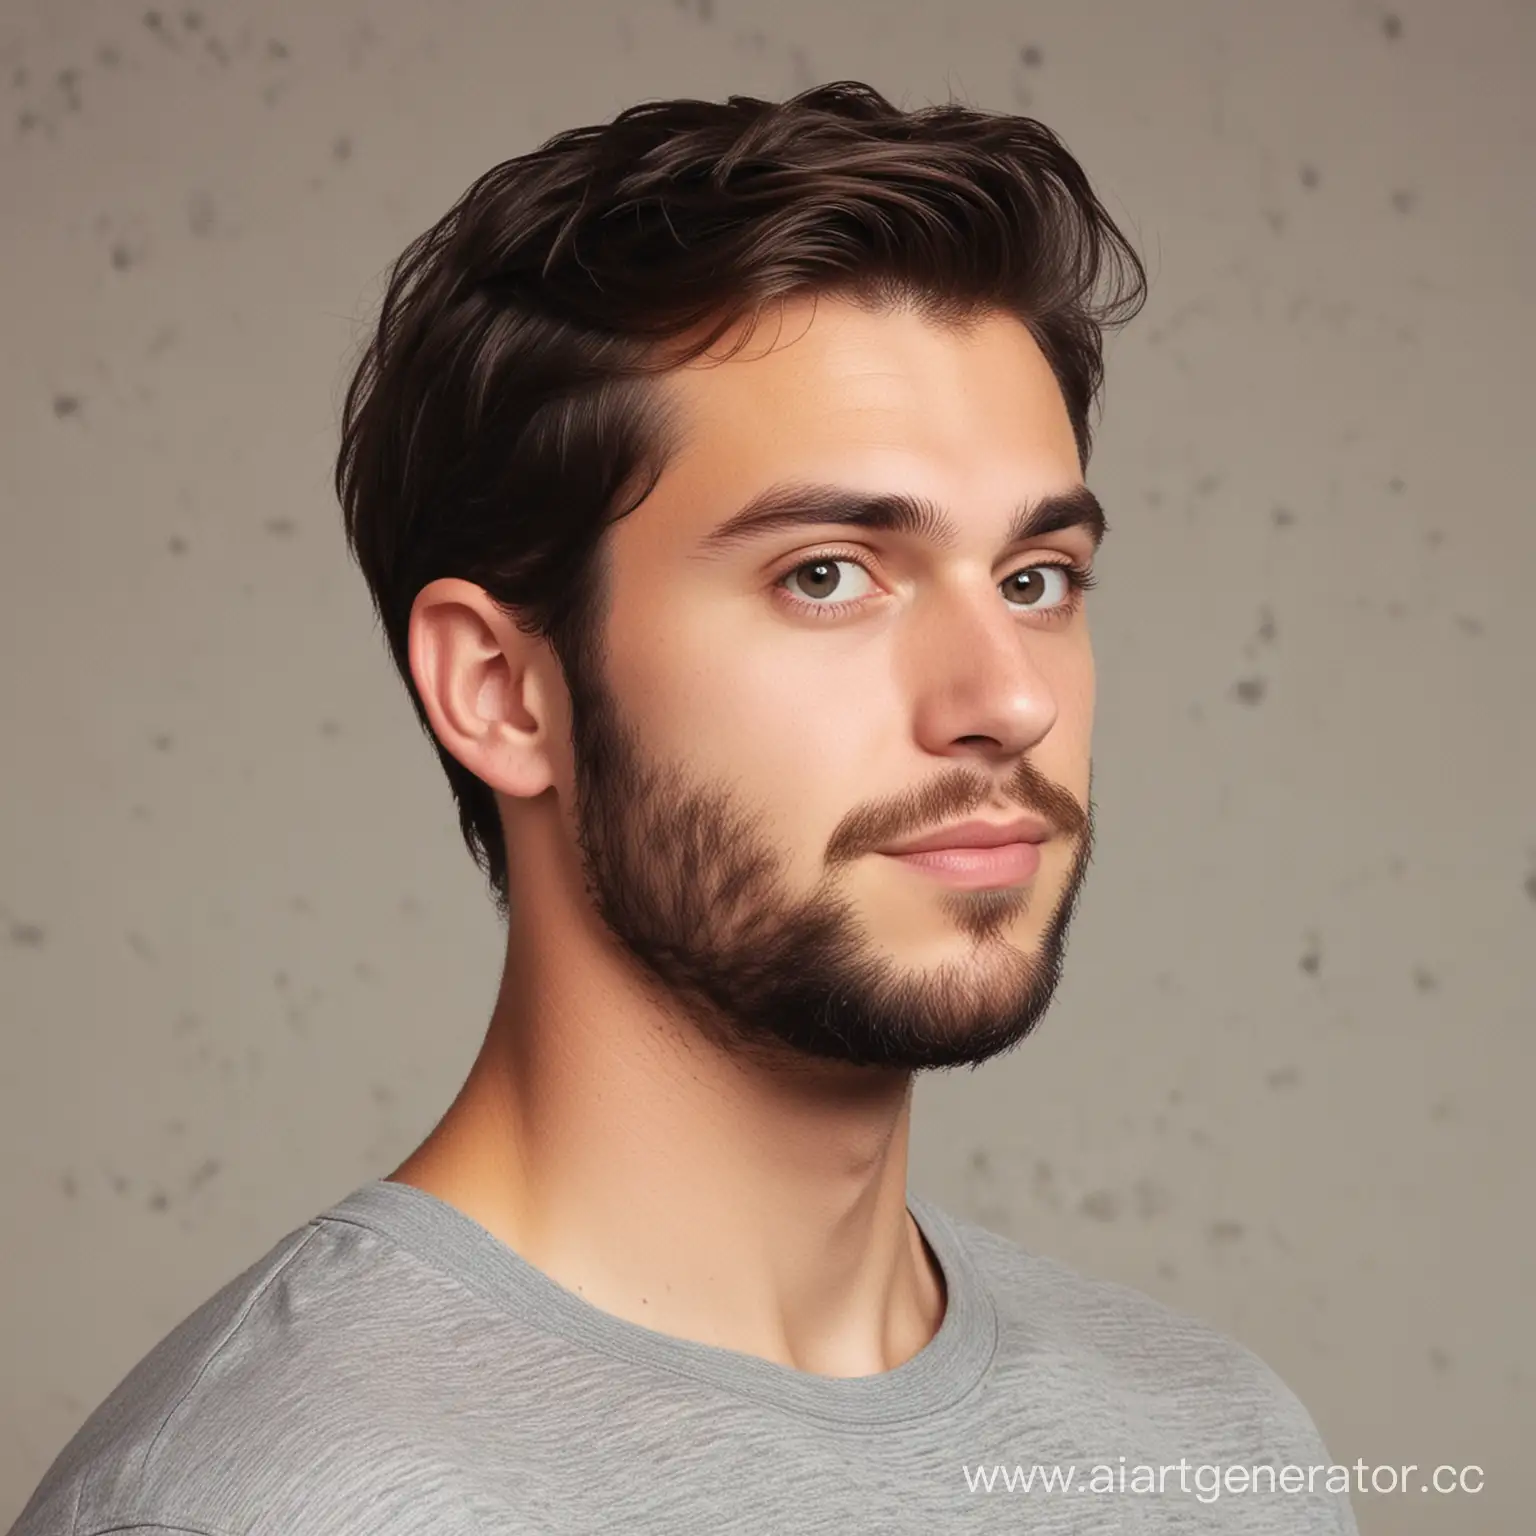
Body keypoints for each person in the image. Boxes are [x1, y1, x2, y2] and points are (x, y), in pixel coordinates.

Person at [9, 82, 1359, 1534]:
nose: (1007, 699)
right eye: (827, 574)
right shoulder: (270, 1502)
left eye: (1037, 581)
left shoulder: (1221, 1450)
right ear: (502, 690)